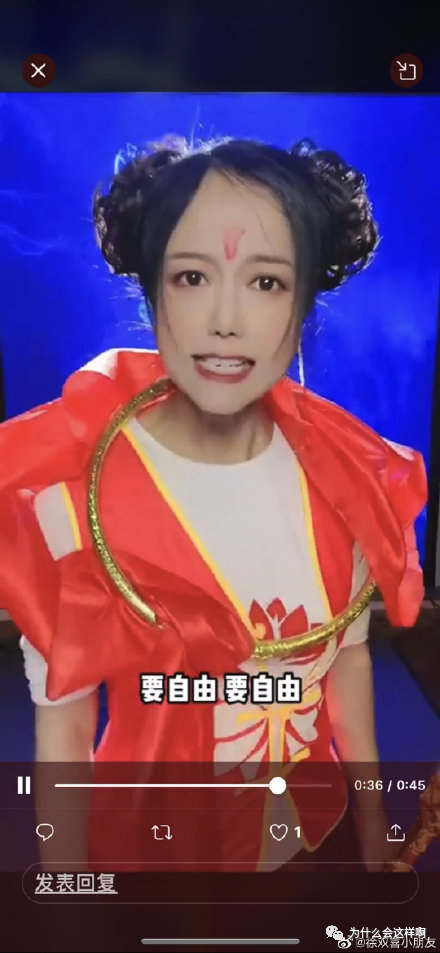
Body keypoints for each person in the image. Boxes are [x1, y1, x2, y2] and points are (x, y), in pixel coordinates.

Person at [0, 134, 427, 874]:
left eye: (266, 282)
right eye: (193, 276)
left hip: (309, 841)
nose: (226, 319)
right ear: (151, 289)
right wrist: (66, 897)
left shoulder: (350, 479)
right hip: (152, 858)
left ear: (305, 298)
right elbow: (65, 722)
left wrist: (370, 825)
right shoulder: (71, 496)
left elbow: (348, 661)